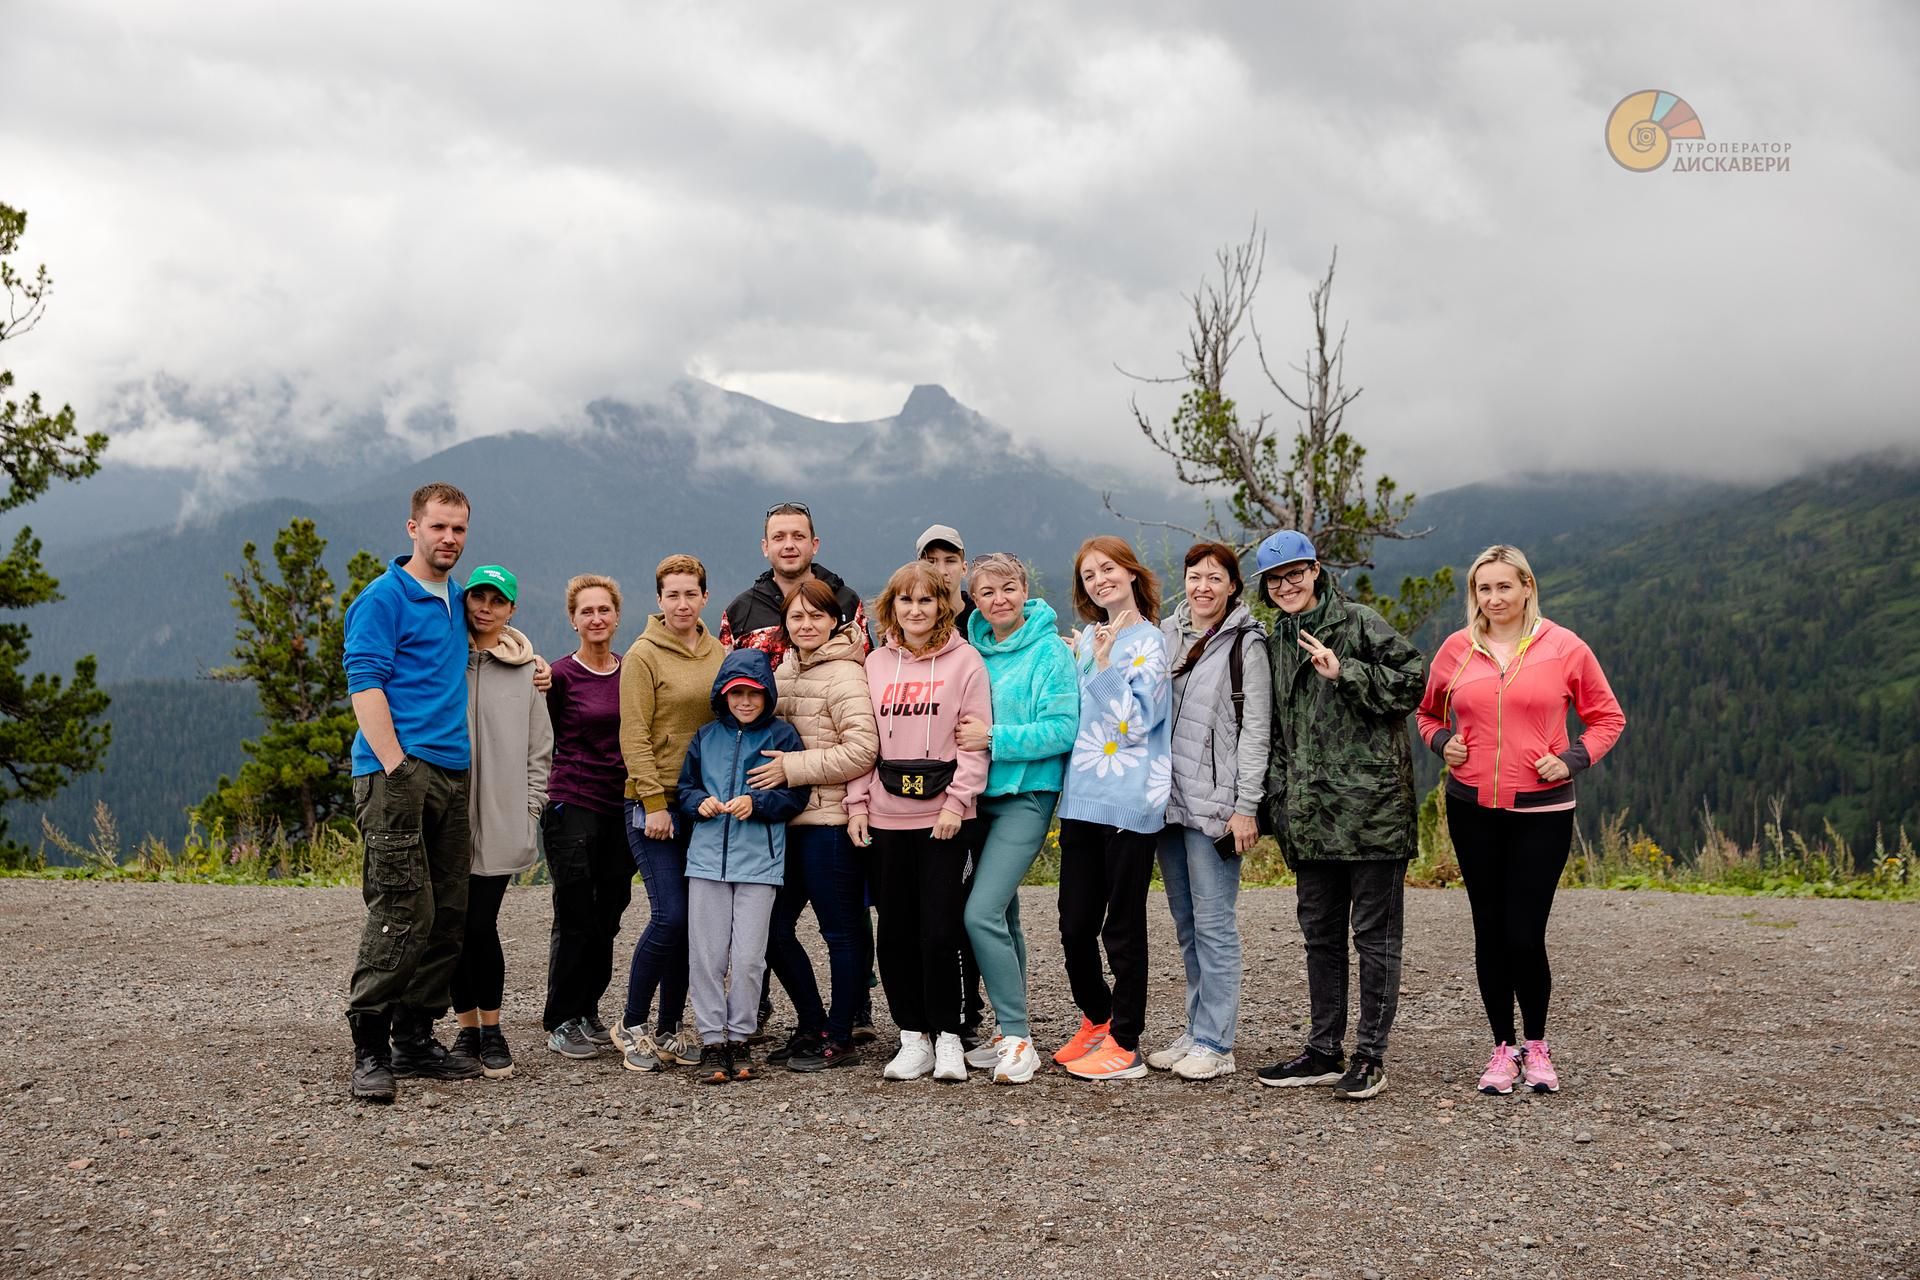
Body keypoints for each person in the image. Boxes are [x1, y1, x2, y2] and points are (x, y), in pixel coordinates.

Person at [1416, 544, 1626, 1096]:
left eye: (1505, 586)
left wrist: (1573, 758)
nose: (1495, 598)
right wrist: (1443, 743)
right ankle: (1501, 1049)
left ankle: (1537, 1045)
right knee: (1489, 931)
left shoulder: (1565, 648)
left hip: (1543, 811)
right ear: (1474, 595)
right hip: (1472, 809)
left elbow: (1607, 717)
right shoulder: (1457, 650)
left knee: (1524, 933)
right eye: (1484, 589)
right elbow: (1426, 712)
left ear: (1527, 587)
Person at [1252, 530, 1425, 1102]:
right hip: (1309, 815)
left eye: (1295, 573)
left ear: (1316, 569)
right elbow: (1275, 726)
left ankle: (1370, 1056)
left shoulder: (1359, 622)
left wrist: (1344, 671)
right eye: (1276, 579)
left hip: (1372, 811)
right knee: (1320, 938)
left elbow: (1411, 684)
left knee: (1374, 939)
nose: (1287, 586)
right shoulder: (1276, 638)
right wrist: (1276, 799)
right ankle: (1325, 1050)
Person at [342, 481, 482, 1102]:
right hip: (397, 772)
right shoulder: (383, 598)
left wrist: (533, 663)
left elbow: (492, 642)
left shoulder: (456, 598)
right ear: (412, 529)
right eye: (438, 527)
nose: (448, 538)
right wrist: (396, 764)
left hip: (454, 771)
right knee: (403, 908)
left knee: (449, 910)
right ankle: (369, 1046)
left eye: (458, 529)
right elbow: (364, 682)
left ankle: (415, 1040)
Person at [845, 561, 991, 1083]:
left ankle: (948, 1035)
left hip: (944, 820)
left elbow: (976, 739)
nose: (915, 610)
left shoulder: (966, 661)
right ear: (891, 607)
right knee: (896, 932)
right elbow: (865, 744)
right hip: (885, 817)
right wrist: (857, 805)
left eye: (925, 600)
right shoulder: (875, 665)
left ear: (942, 607)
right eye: (905, 601)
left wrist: (957, 802)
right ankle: (912, 1037)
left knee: (940, 931)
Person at [1052, 535, 1173, 1082]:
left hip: (1130, 801)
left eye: (1108, 569)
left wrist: (1102, 666)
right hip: (1081, 797)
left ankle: (1126, 1041)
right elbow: (1077, 719)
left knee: (1121, 927)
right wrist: (1081, 658)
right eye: (1089, 575)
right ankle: (1096, 1017)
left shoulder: (1151, 642)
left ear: (1131, 573)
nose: (1099, 580)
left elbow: (1134, 724)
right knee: (1074, 923)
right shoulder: (1088, 641)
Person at [1148, 542, 1271, 1082]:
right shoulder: (1167, 634)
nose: (1202, 587)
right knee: (1186, 923)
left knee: (1215, 924)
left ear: (1232, 586)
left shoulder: (1247, 645)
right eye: (1194, 576)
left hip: (1216, 807)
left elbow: (1256, 733)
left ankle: (1217, 1042)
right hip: (1167, 802)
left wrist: (1246, 807)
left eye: (1214, 578)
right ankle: (1197, 1026)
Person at [956, 553, 1078, 1085]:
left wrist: (995, 740)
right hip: (979, 797)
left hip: (1028, 795)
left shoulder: (1049, 651)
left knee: (979, 912)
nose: (998, 599)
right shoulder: (970, 649)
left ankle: (1019, 1035)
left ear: (1024, 589)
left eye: (1008, 588)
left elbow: (1061, 729)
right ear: (974, 599)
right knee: (1003, 915)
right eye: (986, 592)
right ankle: (1008, 1033)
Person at [749, 580, 879, 1072]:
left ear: (835, 622)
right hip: (788, 822)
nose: (805, 625)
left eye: (816, 617)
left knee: (840, 932)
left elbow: (864, 750)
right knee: (774, 928)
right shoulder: (784, 670)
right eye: (796, 617)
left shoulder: (847, 675)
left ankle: (841, 1034)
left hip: (829, 822)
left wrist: (793, 768)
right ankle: (811, 1022)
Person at [610, 555, 726, 1073]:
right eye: (671, 595)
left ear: (704, 597)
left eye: (690, 594)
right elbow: (632, 734)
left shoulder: (717, 653)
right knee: (670, 915)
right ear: (658, 601)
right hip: (652, 805)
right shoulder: (642, 656)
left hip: (700, 803)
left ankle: (669, 1028)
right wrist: (654, 802)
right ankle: (632, 1024)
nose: (682, 603)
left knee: (693, 923)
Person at [676, 649, 811, 1084]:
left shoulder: (784, 737)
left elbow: (796, 795)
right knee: (707, 956)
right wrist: (700, 803)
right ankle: (713, 1040)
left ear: (766, 695)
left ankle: (740, 1037)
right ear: (723, 695)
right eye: (736, 694)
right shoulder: (705, 737)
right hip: (706, 862)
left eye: (754, 693)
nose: (746, 702)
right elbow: (686, 790)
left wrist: (758, 803)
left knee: (750, 957)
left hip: (760, 862)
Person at [449, 564, 552, 1081]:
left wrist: (528, 810)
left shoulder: (527, 670)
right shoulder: (444, 657)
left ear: (511, 609)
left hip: (499, 818)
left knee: (478, 925)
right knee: (451, 927)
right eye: (478, 596)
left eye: (497, 599)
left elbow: (540, 751)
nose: (485, 606)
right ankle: (465, 1031)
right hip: (445, 816)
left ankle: (491, 1029)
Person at [540, 574, 637, 1060]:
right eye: (586, 612)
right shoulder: (558, 676)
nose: (596, 618)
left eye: (604, 610)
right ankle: (560, 1018)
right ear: (573, 620)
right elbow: (541, 735)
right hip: (572, 802)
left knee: (610, 914)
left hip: (621, 805)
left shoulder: (631, 671)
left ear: (617, 616)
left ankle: (588, 1008)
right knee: (575, 914)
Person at [719, 501, 870, 664]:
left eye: (798, 536)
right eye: (779, 537)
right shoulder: (740, 611)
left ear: (814, 545)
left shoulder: (846, 602)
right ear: (765, 547)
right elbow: (725, 679)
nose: (789, 545)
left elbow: (868, 668)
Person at [917, 523, 975, 634]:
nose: (941, 571)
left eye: (950, 561)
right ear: (918, 569)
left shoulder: (984, 620)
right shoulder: (906, 625)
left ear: (964, 568)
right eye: (931, 562)